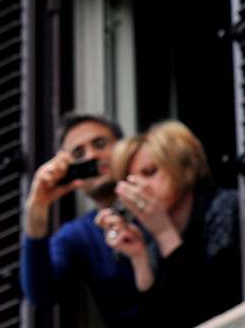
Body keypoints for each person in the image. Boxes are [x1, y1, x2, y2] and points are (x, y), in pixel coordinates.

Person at [95, 120, 242, 327]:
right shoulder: (152, 235)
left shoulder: (226, 208)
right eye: (130, 179)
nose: (139, 187)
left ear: (185, 169)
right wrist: (139, 259)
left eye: (149, 172)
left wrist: (164, 232)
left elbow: (214, 308)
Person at [21, 112, 143, 327]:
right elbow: (41, 294)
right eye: (78, 153)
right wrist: (37, 209)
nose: (91, 156)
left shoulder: (162, 192)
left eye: (100, 143)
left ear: (123, 147)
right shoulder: (78, 235)